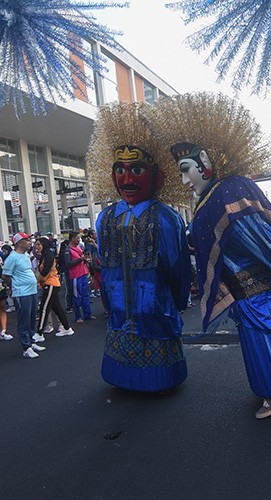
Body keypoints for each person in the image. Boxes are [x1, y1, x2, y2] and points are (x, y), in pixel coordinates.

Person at [154, 92, 271, 419]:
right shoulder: (220, 194)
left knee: (267, 343)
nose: (185, 180)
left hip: (256, 290)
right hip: (255, 287)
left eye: (188, 170)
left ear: (207, 164)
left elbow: (261, 239)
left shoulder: (224, 194)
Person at [87, 101, 192, 391]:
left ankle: (159, 380)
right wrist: (108, 299)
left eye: (137, 169)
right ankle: (122, 377)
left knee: (155, 332)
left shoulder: (166, 217)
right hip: (119, 305)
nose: (127, 178)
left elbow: (178, 266)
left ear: (157, 176)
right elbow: (104, 263)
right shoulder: (106, 216)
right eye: (119, 169)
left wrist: (179, 299)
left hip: (155, 303)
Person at [3, 232, 45, 359]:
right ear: (19, 242)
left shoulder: (26, 255)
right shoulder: (12, 258)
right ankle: (26, 347)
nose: (30, 242)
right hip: (21, 293)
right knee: (24, 320)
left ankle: (31, 342)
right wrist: (14, 287)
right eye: (27, 240)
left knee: (32, 318)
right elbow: (6, 276)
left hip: (32, 291)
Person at [33, 236, 74, 341]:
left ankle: (39, 333)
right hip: (49, 284)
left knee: (44, 308)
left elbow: (45, 272)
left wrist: (38, 277)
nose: (36, 246)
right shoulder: (43, 255)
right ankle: (67, 328)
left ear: (44, 244)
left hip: (50, 284)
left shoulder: (48, 255)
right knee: (57, 308)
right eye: (36, 244)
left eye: (38, 244)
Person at [65, 231, 93, 323]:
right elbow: (68, 264)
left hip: (83, 273)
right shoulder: (68, 250)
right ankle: (78, 316)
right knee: (77, 296)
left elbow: (82, 259)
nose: (79, 240)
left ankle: (87, 314)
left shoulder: (78, 248)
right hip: (75, 276)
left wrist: (85, 261)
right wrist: (80, 259)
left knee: (86, 295)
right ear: (72, 238)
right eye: (77, 238)